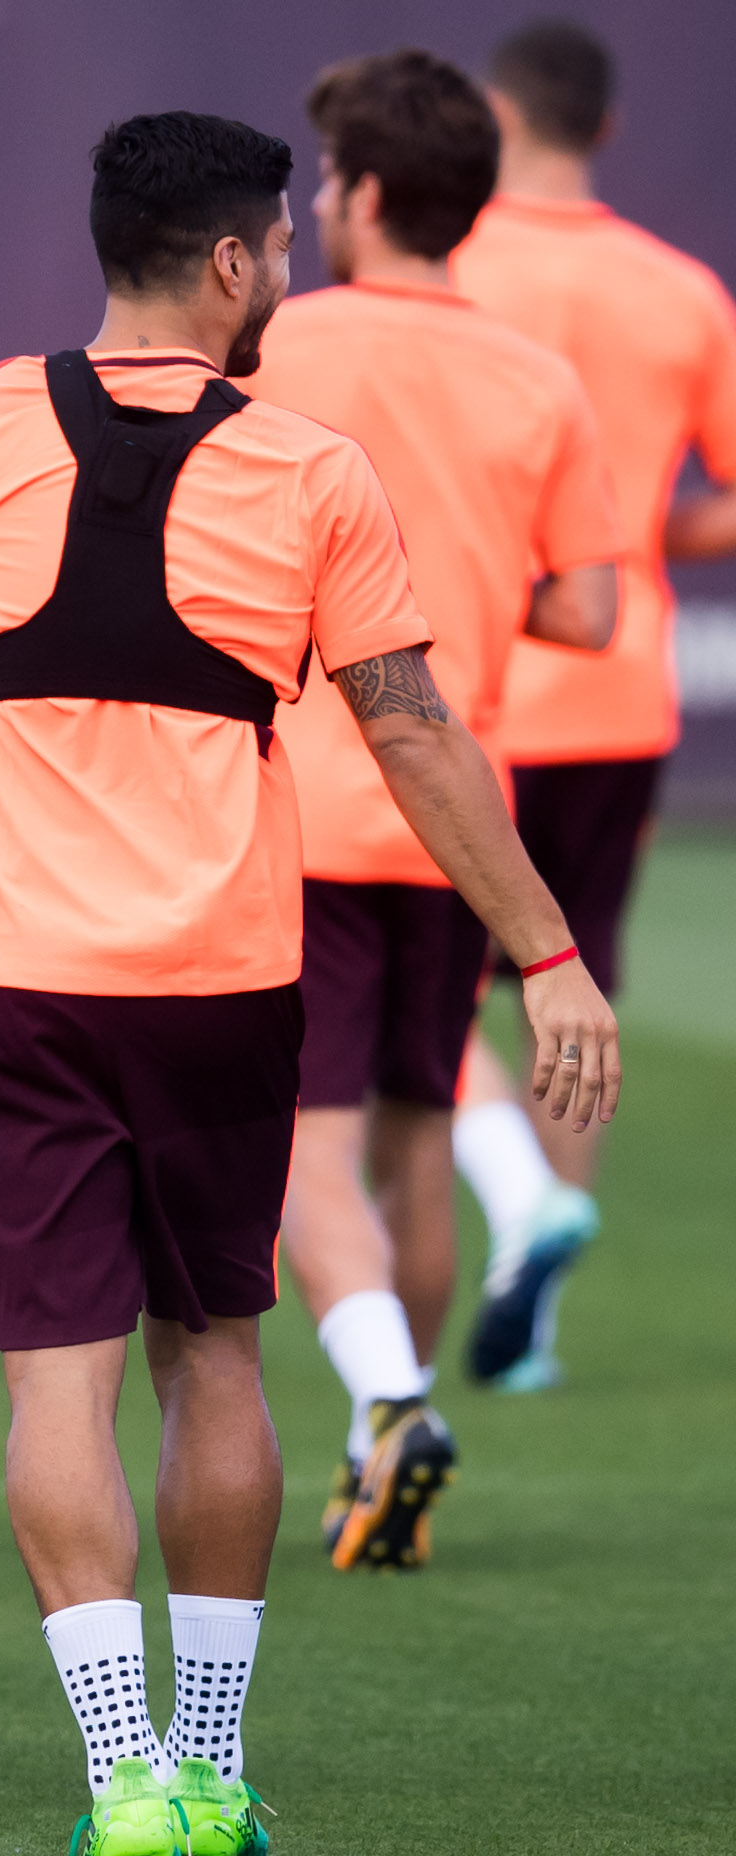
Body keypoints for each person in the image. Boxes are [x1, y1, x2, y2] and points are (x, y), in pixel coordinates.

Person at [0, 110, 618, 1856]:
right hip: (220, 978)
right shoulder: (309, 468)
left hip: (17, 976)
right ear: (233, 261)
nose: (287, 269)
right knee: (214, 1349)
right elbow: (414, 737)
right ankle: (212, 1763)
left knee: (50, 1385)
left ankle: (126, 1772)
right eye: (280, 246)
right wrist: (549, 953)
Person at [242, 49, 621, 1570]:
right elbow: (589, 609)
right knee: (417, 1137)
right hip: (466, 821)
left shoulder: (280, 344)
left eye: (328, 181)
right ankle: (372, 1456)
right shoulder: (539, 375)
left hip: (308, 803)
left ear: (371, 193)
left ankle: (391, 1400)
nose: (318, 204)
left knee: (300, 1149)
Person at [448, 17, 736, 1389]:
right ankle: (535, 1315)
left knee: (415, 992)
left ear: (495, 120)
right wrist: (634, 537)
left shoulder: (446, 270)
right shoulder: (680, 290)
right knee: (579, 987)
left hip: (465, 686)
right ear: (605, 127)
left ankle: (515, 1207)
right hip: (619, 685)